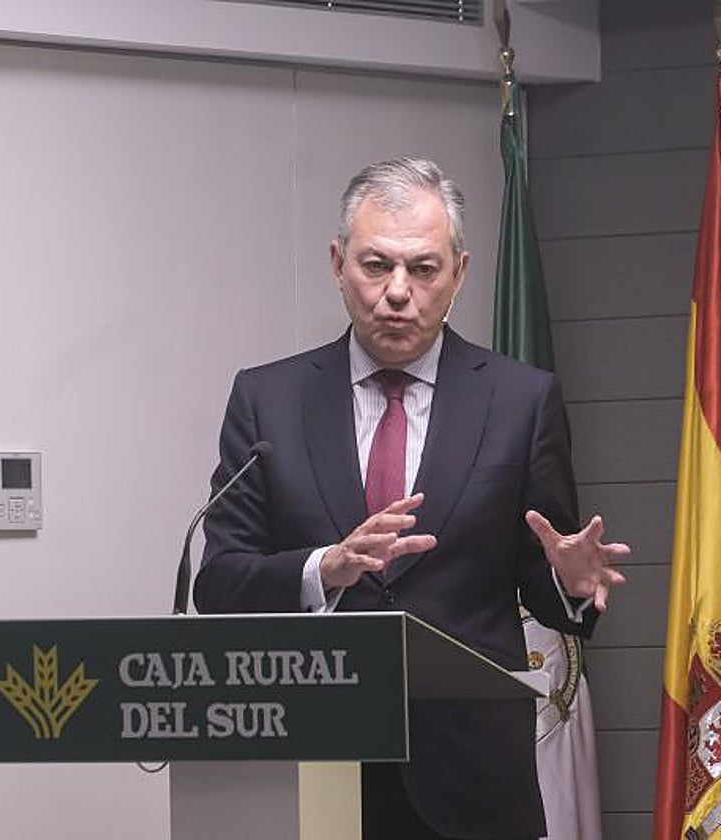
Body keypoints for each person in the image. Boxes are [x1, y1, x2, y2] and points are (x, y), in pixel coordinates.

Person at [193, 157, 628, 840]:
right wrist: (322, 568)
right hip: (308, 765)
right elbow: (217, 583)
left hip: (470, 778)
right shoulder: (268, 400)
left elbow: (543, 590)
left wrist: (569, 583)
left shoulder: (521, 401)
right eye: (376, 266)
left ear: (459, 272)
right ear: (338, 264)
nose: (398, 291)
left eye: (423, 269)